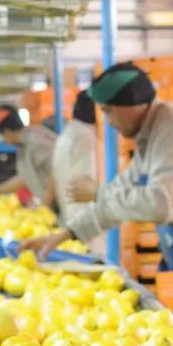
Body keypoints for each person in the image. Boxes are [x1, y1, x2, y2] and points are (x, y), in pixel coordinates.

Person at [18, 63, 173, 270]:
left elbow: (162, 205)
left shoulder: (172, 134)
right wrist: (66, 234)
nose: (107, 121)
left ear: (134, 105)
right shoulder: (151, 133)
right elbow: (121, 188)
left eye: (109, 111)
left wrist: (98, 192)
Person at [51, 90, 103, 256]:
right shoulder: (85, 137)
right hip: (85, 223)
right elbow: (86, 185)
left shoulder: (68, 132)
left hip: (71, 216)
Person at [0, 106, 57, 207]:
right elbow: (23, 179)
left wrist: (47, 204)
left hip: (62, 205)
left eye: (2, 136)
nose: (3, 140)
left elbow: (55, 170)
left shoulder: (36, 141)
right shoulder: (23, 146)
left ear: (7, 132)